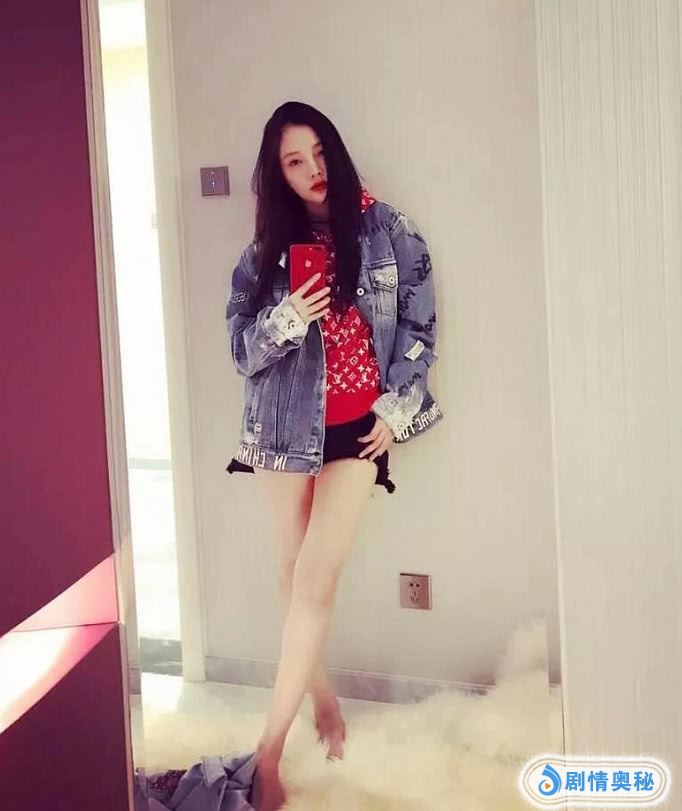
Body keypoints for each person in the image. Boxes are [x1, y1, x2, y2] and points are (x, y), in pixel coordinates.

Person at [224, 101, 443, 811]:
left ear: (336, 151)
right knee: (293, 570)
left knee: (316, 578)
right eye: (294, 161)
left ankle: (268, 750)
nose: (312, 169)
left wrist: (397, 408)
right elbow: (241, 352)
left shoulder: (389, 229)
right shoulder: (266, 251)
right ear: (279, 175)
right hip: (283, 429)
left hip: (357, 433)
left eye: (319, 152)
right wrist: (290, 317)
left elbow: (419, 325)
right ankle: (321, 697)